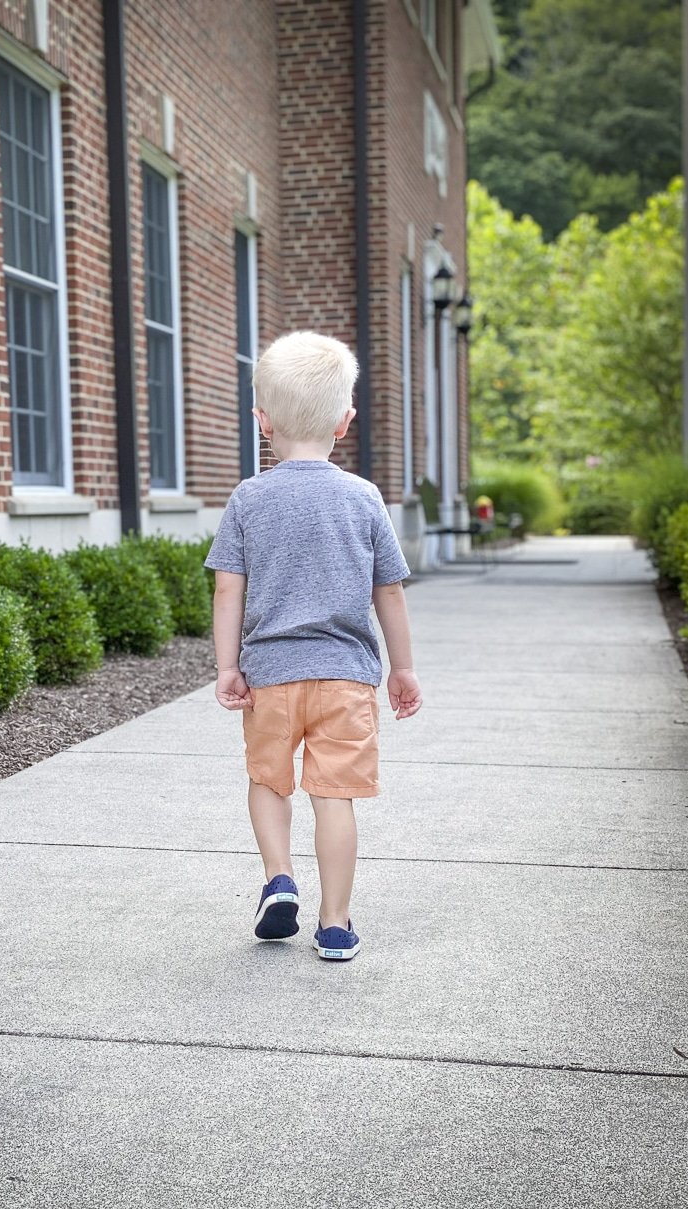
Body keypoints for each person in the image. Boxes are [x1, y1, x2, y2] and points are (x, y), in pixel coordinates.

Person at [205, 330, 422, 962]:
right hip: (346, 679)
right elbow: (391, 593)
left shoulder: (249, 499)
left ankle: (279, 880)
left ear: (261, 420)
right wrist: (401, 667)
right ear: (346, 420)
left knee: (269, 781)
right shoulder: (363, 498)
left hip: (270, 676)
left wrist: (227, 667)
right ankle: (334, 924)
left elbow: (227, 591)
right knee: (335, 795)